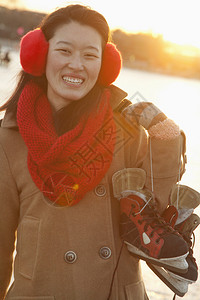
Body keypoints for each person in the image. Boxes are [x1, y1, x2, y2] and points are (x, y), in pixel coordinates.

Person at [0, 4, 197, 300]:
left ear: (105, 65)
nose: (77, 65)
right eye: (65, 51)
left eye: (90, 55)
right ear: (40, 55)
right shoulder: (8, 139)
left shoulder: (127, 131)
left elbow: (159, 214)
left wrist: (166, 139)